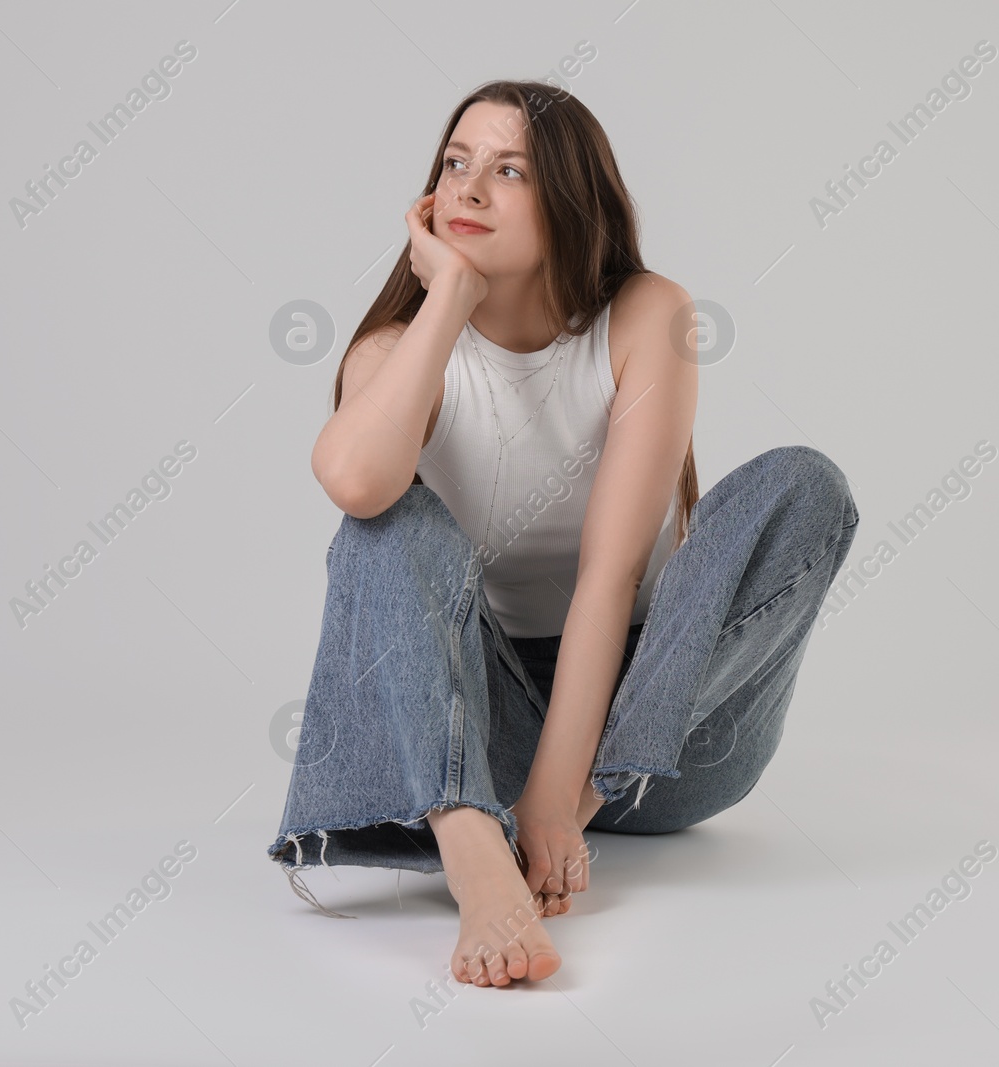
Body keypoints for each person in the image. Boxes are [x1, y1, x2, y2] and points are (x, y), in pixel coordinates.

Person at [267, 79, 859, 989]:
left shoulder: (646, 314)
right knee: (385, 520)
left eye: (508, 171)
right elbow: (355, 482)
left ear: (573, 200)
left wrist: (558, 802)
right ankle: (472, 854)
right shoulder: (392, 351)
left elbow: (610, 574)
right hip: (477, 737)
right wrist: (450, 298)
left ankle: (541, 820)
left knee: (803, 483)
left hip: (667, 737)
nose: (468, 189)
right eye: (455, 164)